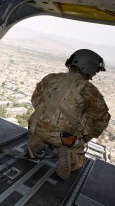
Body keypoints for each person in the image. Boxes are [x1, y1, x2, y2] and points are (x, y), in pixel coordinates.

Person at [27, 49, 111, 179]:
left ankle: (37, 140)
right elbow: (102, 119)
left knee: (45, 126)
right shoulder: (90, 90)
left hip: (35, 127)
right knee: (80, 152)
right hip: (63, 138)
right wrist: (84, 137)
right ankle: (71, 157)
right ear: (89, 67)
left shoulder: (51, 78)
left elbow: (35, 100)